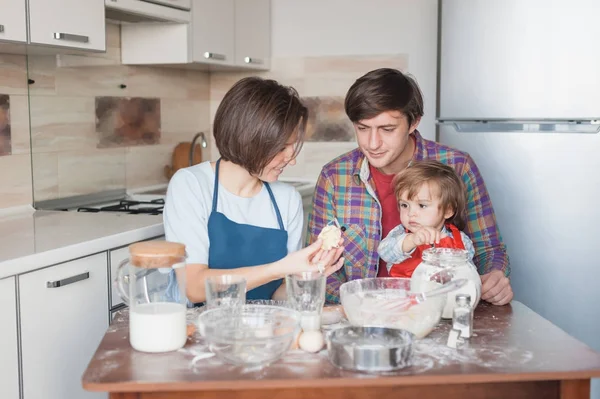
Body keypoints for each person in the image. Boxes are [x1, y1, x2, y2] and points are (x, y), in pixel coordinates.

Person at [306, 68, 513, 306]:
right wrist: (365, 305)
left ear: (413, 122)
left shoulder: (457, 166)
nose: (373, 144)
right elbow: (319, 266)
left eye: (387, 129)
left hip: (440, 314)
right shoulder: (335, 176)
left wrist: (495, 276)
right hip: (362, 318)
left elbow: (489, 250)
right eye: (363, 129)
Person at [164, 77, 344, 305]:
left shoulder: (287, 199)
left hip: (264, 330)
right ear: (249, 138)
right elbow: (194, 287)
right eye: (281, 147)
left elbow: (277, 295)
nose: (292, 159)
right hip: (202, 330)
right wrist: (279, 268)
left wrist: (302, 280)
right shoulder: (191, 185)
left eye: (293, 145)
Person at [377, 160, 475, 277]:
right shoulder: (400, 234)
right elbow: (385, 252)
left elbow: (469, 274)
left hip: (444, 294)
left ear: (448, 210)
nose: (411, 213)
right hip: (404, 293)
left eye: (422, 205)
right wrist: (412, 240)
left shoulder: (461, 240)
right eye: (404, 205)